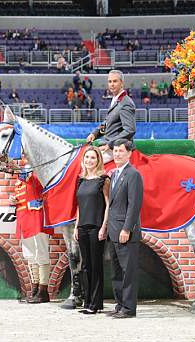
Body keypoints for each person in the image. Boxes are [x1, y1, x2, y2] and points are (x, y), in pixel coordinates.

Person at [106, 139, 143, 319]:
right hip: (113, 231)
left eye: (121, 151)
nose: (117, 154)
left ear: (129, 153)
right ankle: (119, 304)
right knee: (116, 272)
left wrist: (127, 229)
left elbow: (134, 205)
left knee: (128, 272)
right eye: (115, 151)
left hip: (125, 232)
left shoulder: (133, 174)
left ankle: (128, 309)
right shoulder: (114, 174)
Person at [73, 147, 110, 315]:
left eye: (93, 158)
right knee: (85, 266)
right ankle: (87, 301)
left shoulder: (104, 179)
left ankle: (95, 304)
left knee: (96, 266)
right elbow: (80, 207)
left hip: (96, 227)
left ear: (98, 160)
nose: (89, 160)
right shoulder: (80, 180)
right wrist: (76, 226)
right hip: (82, 228)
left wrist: (104, 226)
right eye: (87, 157)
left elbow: (108, 204)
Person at [9, 160, 52, 303]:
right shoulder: (20, 180)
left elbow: (36, 183)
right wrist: (13, 200)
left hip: (37, 218)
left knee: (41, 253)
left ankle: (43, 291)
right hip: (24, 219)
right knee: (30, 255)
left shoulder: (36, 174)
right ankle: (35, 289)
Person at [86, 70, 136, 163]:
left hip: (117, 148)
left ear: (122, 83)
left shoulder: (126, 103)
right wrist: (95, 134)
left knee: (89, 161)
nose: (112, 84)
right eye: (110, 81)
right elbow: (106, 123)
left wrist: (110, 144)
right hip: (109, 146)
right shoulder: (115, 99)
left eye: (115, 81)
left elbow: (130, 130)